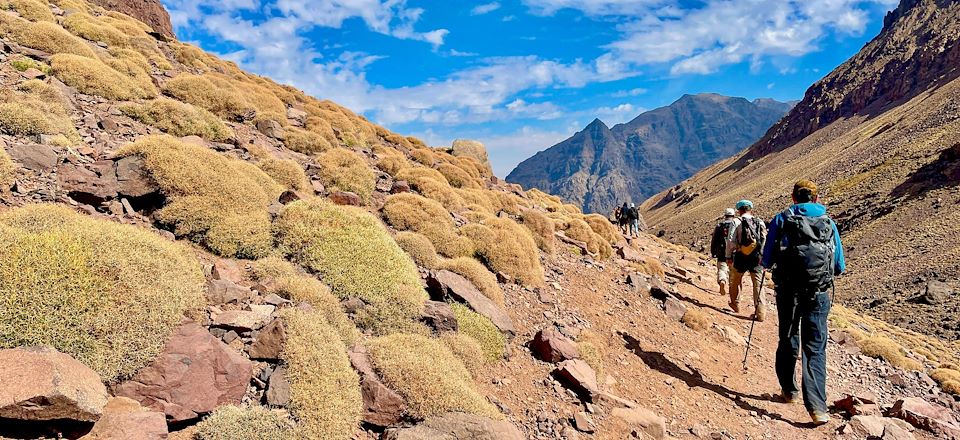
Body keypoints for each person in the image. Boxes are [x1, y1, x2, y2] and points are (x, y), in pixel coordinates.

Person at [761, 180, 845, 426]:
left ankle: (790, 391)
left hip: (787, 291)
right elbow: (839, 265)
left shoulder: (781, 219)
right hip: (818, 294)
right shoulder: (828, 223)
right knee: (815, 348)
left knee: (787, 337)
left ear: (794, 197)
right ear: (816, 199)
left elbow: (767, 259)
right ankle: (818, 408)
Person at [727, 200, 767, 320]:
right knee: (758, 284)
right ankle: (760, 313)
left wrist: (729, 256)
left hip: (740, 256)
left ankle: (735, 304)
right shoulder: (759, 221)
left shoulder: (736, 221)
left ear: (739, 210)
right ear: (751, 209)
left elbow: (730, 240)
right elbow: (764, 237)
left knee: (735, 280)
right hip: (757, 258)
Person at [710, 208, 737, 298]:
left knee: (722, 269)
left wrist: (713, 252)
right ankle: (732, 290)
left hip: (721, 252)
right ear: (733, 215)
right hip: (734, 252)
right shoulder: (737, 224)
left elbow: (714, 240)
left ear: (725, 216)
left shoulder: (720, 226)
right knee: (732, 271)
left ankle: (722, 280)